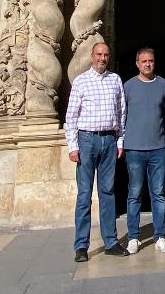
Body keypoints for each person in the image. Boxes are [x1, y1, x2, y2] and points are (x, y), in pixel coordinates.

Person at [65, 42, 129, 262]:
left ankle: (110, 241)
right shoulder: (81, 81)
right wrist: (73, 146)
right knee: (84, 195)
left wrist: (120, 140)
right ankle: (81, 245)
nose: (103, 58)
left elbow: (121, 113)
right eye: (99, 54)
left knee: (108, 193)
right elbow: (71, 117)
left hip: (109, 140)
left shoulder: (115, 80)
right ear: (92, 56)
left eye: (106, 55)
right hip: (86, 140)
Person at [122, 48, 165, 254]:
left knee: (158, 193)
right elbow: (122, 115)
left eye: (151, 61)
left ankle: (160, 235)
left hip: (158, 147)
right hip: (134, 147)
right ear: (137, 63)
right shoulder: (128, 86)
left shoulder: (163, 84)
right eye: (144, 61)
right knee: (134, 193)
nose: (148, 64)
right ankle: (133, 237)